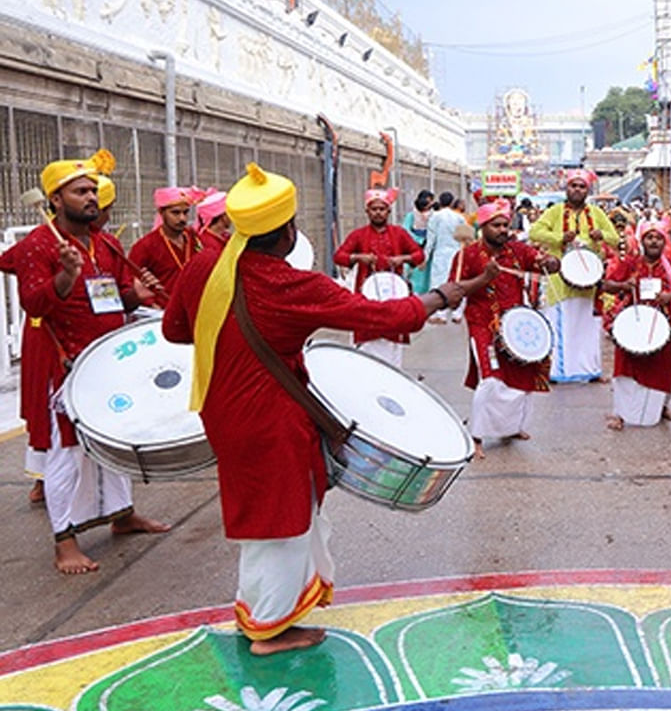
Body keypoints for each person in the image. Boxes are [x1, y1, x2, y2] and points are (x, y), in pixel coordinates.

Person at [163, 163, 485, 655]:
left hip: (222, 408)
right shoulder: (287, 284)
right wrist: (445, 294)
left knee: (267, 513)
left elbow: (175, 330)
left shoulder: (204, 266)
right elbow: (382, 315)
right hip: (269, 418)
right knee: (280, 519)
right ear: (289, 229)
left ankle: (264, 613)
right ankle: (267, 629)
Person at [12, 149, 170, 574]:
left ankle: (122, 516)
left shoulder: (106, 242)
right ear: (56, 199)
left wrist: (138, 294)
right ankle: (64, 542)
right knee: (68, 451)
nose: (91, 197)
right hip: (63, 363)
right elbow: (34, 302)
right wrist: (64, 275)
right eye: (80, 191)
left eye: (93, 190)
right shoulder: (38, 246)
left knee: (114, 438)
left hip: (108, 359)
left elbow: (117, 295)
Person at [450, 199, 558, 458]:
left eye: (505, 225)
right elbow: (454, 291)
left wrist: (551, 262)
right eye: (495, 225)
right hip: (482, 323)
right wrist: (484, 279)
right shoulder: (468, 254)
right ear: (483, 226)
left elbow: (547, 265)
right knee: (491, 379)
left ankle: (510, 427)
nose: (502, 230)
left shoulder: (518, 251)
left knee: (520, 378)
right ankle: (476, 435)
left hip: (516, 325)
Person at [602, 217, 671, 429]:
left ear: (664, 242)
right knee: (624, 368)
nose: (654, 242)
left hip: (663, 323)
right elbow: (606, 285)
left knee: (664, 367)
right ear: (642, 241)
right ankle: (619, 413)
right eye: (649, 238)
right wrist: (623, 285)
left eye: (658, 238)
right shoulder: (630, 263)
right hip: (633, 321)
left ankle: (661, 406)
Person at [528, 169, 620, 383]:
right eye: (573, 186)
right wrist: (560, 237)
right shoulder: (555, 212)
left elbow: (615, 239)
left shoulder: (596, 214)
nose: (577, 190)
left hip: (589, 283)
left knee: (586, 327)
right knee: (561, 324)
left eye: (582, 186)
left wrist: (601, 235)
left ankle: (589, 370)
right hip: (560, 282)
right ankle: (559, 372)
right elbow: (535, 232)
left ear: (587, 190)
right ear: (566, 188)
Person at [333, 188, 425, 366]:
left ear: (388, 211)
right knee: (367, 337)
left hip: (394, 294)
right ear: (367, 211)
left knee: (393, 337)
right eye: (374, 209)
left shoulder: (399, 234)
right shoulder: (359, 235)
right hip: (366, 295)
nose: (378, 212)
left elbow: (419, 255)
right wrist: (359, 257)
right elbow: (339, 256)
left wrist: (402, 259)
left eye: (382, 209)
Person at [128, 186, 202, 306]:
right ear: (161, 213)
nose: (182, 218)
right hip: (162, 312)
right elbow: (131, 281)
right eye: (175, 213)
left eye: (185, 212)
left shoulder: (193, 238)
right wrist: (151, 304)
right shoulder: (145, 246)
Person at [423, 191, 468, 323]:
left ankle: (439, 314)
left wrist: (425, 257)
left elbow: (430, 239)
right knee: (457, 281)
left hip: (440, 253)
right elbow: (465, 238)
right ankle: (457, 314)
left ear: (440, 202)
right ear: (452, 202)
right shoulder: (459, 217)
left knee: (438, 282)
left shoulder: (435, 217)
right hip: (456, 252)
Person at [403, 190, 434, 293]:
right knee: (415, 275)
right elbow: (406, 230)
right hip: (415, 248)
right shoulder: (411, 215)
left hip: (429, 249)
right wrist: (419, 240)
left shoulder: (433, 215)